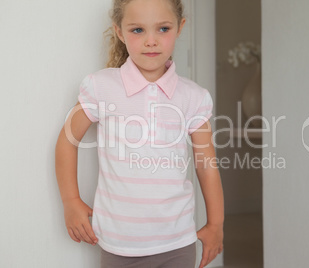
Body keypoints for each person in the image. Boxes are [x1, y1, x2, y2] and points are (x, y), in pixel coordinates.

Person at [54, 0, 224, 267]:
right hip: (118, 244)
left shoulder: (193, 97)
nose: (151, 41)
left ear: (180, 28)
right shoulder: (101, 87)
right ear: (119, 32)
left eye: (163, 29)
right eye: (137, 30)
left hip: (178, 243)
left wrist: (216, 224)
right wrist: (70, 200)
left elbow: (207, 166)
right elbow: (67, 141)